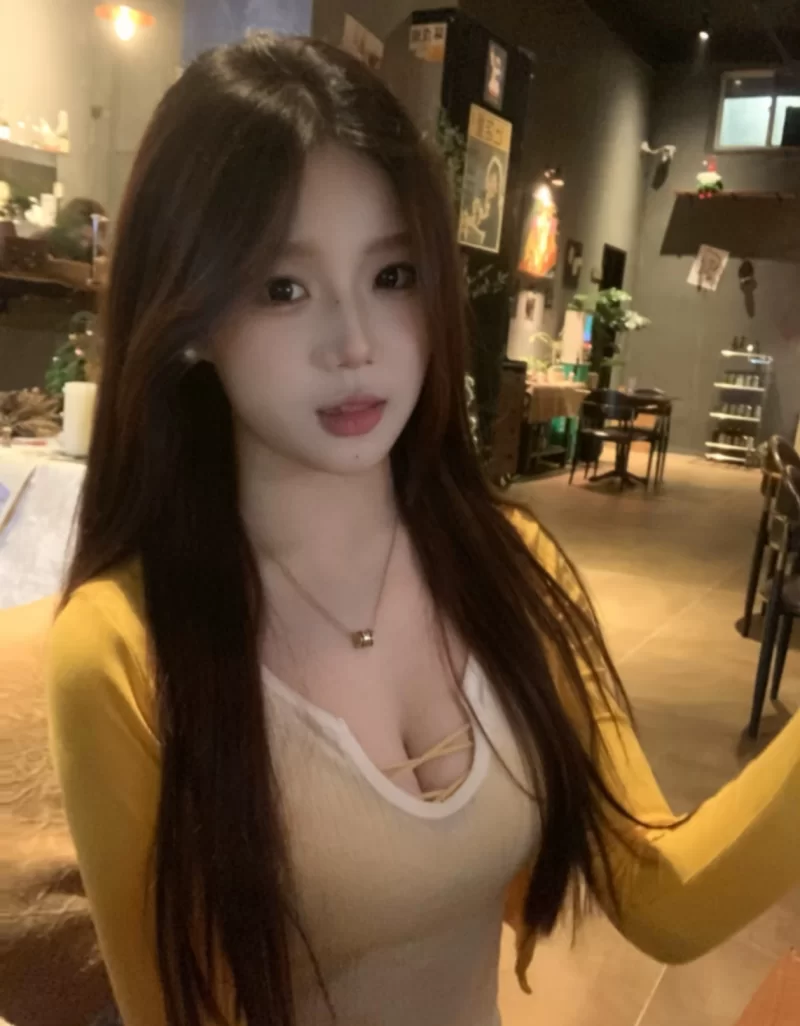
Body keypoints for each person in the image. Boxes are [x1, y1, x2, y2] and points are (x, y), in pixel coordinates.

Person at [46, 34, 799, 1026]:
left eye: (393, 275)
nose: (355, 343)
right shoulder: (121, 653)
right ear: (188, 316)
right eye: (282, 287)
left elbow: (664, 896)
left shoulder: (504, 563)